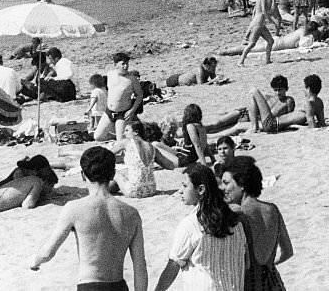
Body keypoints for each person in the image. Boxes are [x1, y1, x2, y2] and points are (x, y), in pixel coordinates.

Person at [31, 147, 148, 291]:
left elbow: (48, 253)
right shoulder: (131, 213)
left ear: (82, 175)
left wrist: (34, 262)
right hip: (118, 285)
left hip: (90, 285)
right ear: (112, 174)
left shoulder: (74, 208)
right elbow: (140, 265)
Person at [155, 163, 247, 291]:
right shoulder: (236, 222)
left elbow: (174, 265)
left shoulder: (191, 224)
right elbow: (245, 261)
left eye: (185, 186)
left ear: (201, 189)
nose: (181, 190)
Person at [221, 156, 293, 290]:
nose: (222, 188)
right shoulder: (273, 210)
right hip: (274, 284)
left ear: (241, 184)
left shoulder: (238, 214)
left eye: (226, 183)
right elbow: (288, 252)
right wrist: (269, 267)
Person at [93, 52, 146, 142]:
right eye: (123, 64)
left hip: (123, 114)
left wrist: (132, 110)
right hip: (109, 112)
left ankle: (121, 136)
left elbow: (140, 95)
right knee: (97, 137)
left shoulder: (132, 79)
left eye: (127, 64)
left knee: (120, 142)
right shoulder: (110, 75)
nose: (126, 66)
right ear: (115, 65)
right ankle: (117, 136)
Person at [248, 73, 326, 132]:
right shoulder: (319, 102)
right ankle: (254, 126)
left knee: (253, 91)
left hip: (272, 124)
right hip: (275, 124)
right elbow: (322, 123)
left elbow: (312, 126)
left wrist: (301, 127)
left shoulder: (308, 104)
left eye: (305, 88)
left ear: (308, 89)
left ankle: (254, 127)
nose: (304, 91)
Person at [240, 0, 283, 66]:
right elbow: (264, 11)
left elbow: (268, 10)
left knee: (270, 41)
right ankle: (241, 61)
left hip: (261, 24)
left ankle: (267, 60)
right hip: (258, 23)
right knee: (252, 44)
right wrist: (273, 22)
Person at [114, 120, 159, 199]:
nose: (124, 133)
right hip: (151, 189)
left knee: (115, 173)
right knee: (127, 172)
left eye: (127, 130)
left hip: (134, 191)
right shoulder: (151, 146)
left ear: (136, 132)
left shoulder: (126, 142)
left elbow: (106, 153)